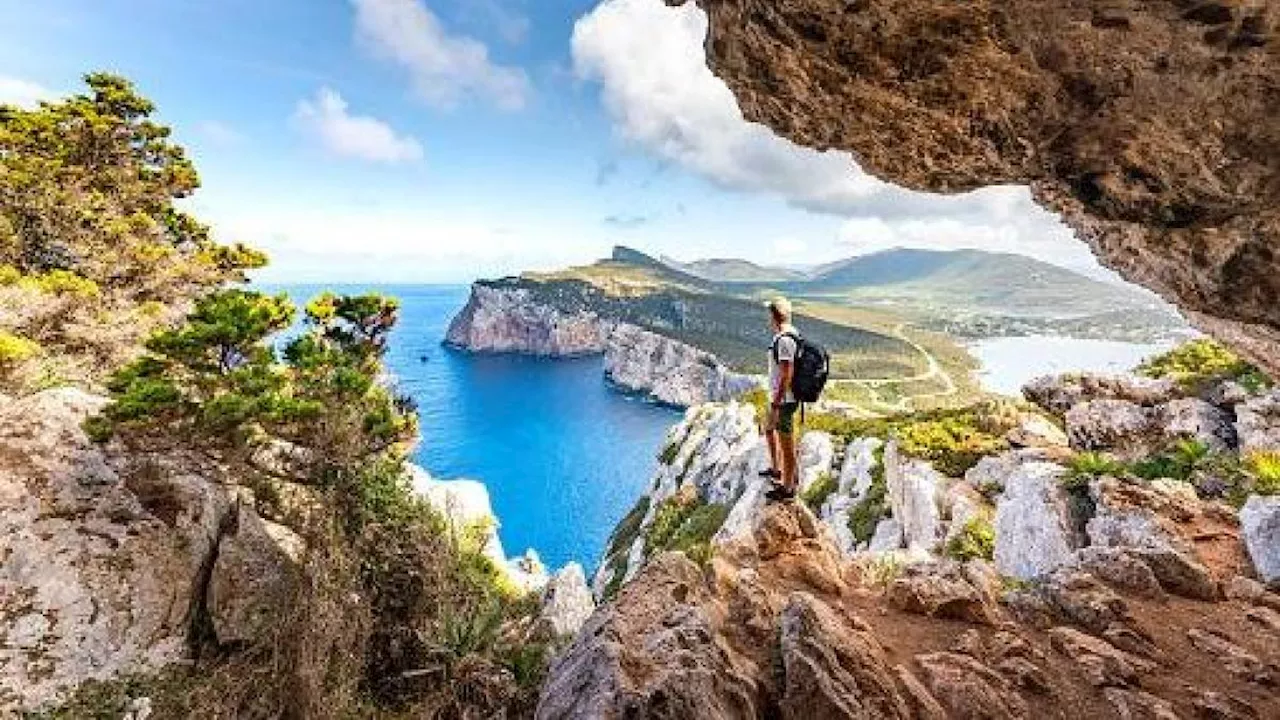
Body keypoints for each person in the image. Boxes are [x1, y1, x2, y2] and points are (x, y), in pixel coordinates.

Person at [761, 296, 800, 502]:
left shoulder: (785, 339)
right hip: (778, 398)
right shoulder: (788, 335)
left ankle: (788, 488)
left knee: (787, 444)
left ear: (774, 316)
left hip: (784, 400)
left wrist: (776, 403)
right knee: (768, 429)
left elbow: (787, 374)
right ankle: (776, 470)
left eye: (770, 314)